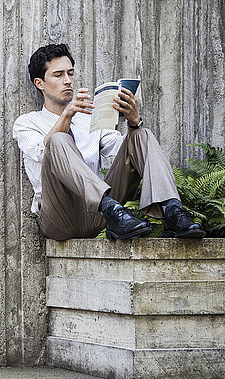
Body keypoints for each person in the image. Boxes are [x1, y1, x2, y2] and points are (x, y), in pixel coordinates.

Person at [13, 43, 206, 240]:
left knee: (142, 134)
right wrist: (67, 116)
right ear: (40, 83)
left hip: (101, 214)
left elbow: (122, 150)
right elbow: (43, 153)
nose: (68, 81)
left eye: (71, 74)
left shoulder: (88, 119)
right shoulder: (26, 123)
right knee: (57, 140)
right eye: (58, 75)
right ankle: (111, 208)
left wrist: (133, 122)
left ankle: (173, 213)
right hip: (60, 218)